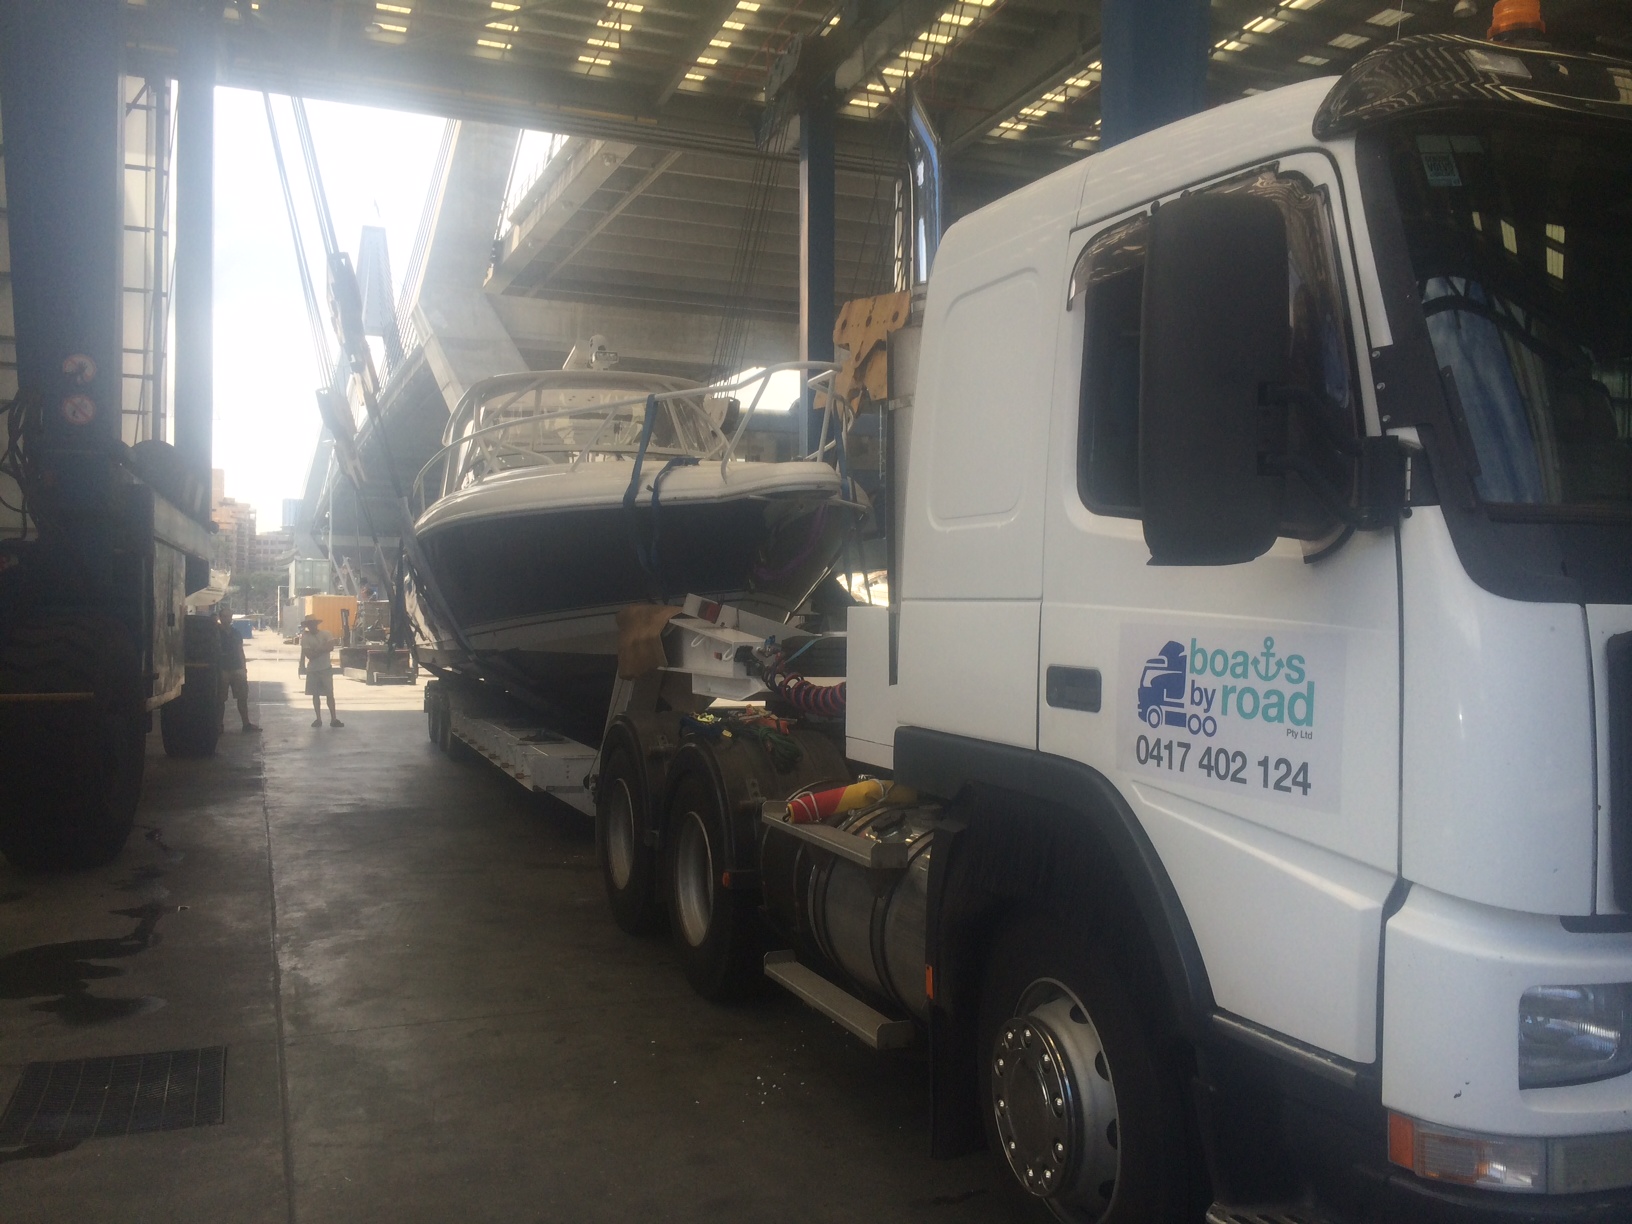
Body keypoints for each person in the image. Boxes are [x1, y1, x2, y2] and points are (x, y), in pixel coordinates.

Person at [218, 605, 260, 732]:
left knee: (242, 697)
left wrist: (244, 668)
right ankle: (219, 725)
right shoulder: (215, 633)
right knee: (220, 699)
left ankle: (246, 724)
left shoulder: (236, 633)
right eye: (225, 616)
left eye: (229, 616)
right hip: (222, 670)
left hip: (237, 668)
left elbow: (240, 650)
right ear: (220, 618)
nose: (227, 619)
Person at [297, 615, 343, 728]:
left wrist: (316, 650)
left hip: (325, 668)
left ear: (316, 624)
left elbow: (330, 647)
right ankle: (319, 719)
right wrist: (323, 648)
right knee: (316, 695)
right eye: (309, 624)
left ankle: (333, 719)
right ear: (307, 626)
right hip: (314, 670)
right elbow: (309, 655)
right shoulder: (306, 638)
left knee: (329, 694)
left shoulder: (325, 633)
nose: (311, 626)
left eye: (313, 624)